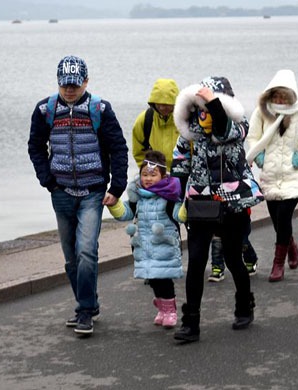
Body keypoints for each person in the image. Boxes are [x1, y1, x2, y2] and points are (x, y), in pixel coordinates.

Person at [28, 55, 129, 336]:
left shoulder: (100, 109)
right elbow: (35, 147)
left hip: (93, 192)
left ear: (86, 81)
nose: (69, 90)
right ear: (58, 83)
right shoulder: (44, 110)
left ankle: (84, 311)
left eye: (74, 84)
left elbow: (118, 148)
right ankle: (90, 302)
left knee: (86, 251)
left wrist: (116, 188)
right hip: (60, 192)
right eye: (65, 85)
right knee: (71, 258)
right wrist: (47, 180)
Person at [170, 76, 264, 343]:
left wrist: (214, 103)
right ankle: (191, 323)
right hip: (200, 205)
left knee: (234, 259)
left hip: (232, 205)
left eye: (210, 108)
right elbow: (179, 165)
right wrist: (176, 200)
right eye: (201, 108)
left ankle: (244, 305)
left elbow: (222, 129)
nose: (205, 114)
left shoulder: (237, 127)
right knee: (197, 261)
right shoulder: (189, 134)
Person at [246, 69, 298, 283]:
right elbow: (253, 136)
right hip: (270, 173)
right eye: (275, 95)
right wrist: (259, 156)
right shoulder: (262, 110)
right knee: (276, 218)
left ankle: (278, 264)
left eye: (283, 96)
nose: (279, 99)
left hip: (293, 174)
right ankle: (290, 245)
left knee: (284, 216)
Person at [107, 150, 183, 328]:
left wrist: (187, 206)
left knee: (164, 279)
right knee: (153, 278)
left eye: (153, 174)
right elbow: (127, 213)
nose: (148, 178)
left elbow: (179, 215)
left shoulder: (170, 196)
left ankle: (170, 310)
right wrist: (114, 205)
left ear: (163, 176)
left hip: (164, 244)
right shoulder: (138, 196)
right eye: (144, 174)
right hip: (145, 245)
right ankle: (162, 308)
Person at [131, 78, 180, 168]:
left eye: (165, 104)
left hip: (182, 177)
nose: (161, 108)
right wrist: (149, 172)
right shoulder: (144, 120)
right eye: (158, 104)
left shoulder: (186, 119)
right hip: (155, 176)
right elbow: (139, 153)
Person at [208, 212, 259, 282]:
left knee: (242, 242)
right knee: (217, 239)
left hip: (239, 213)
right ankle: (217, 267)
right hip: (218, 212)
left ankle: (251, 260)